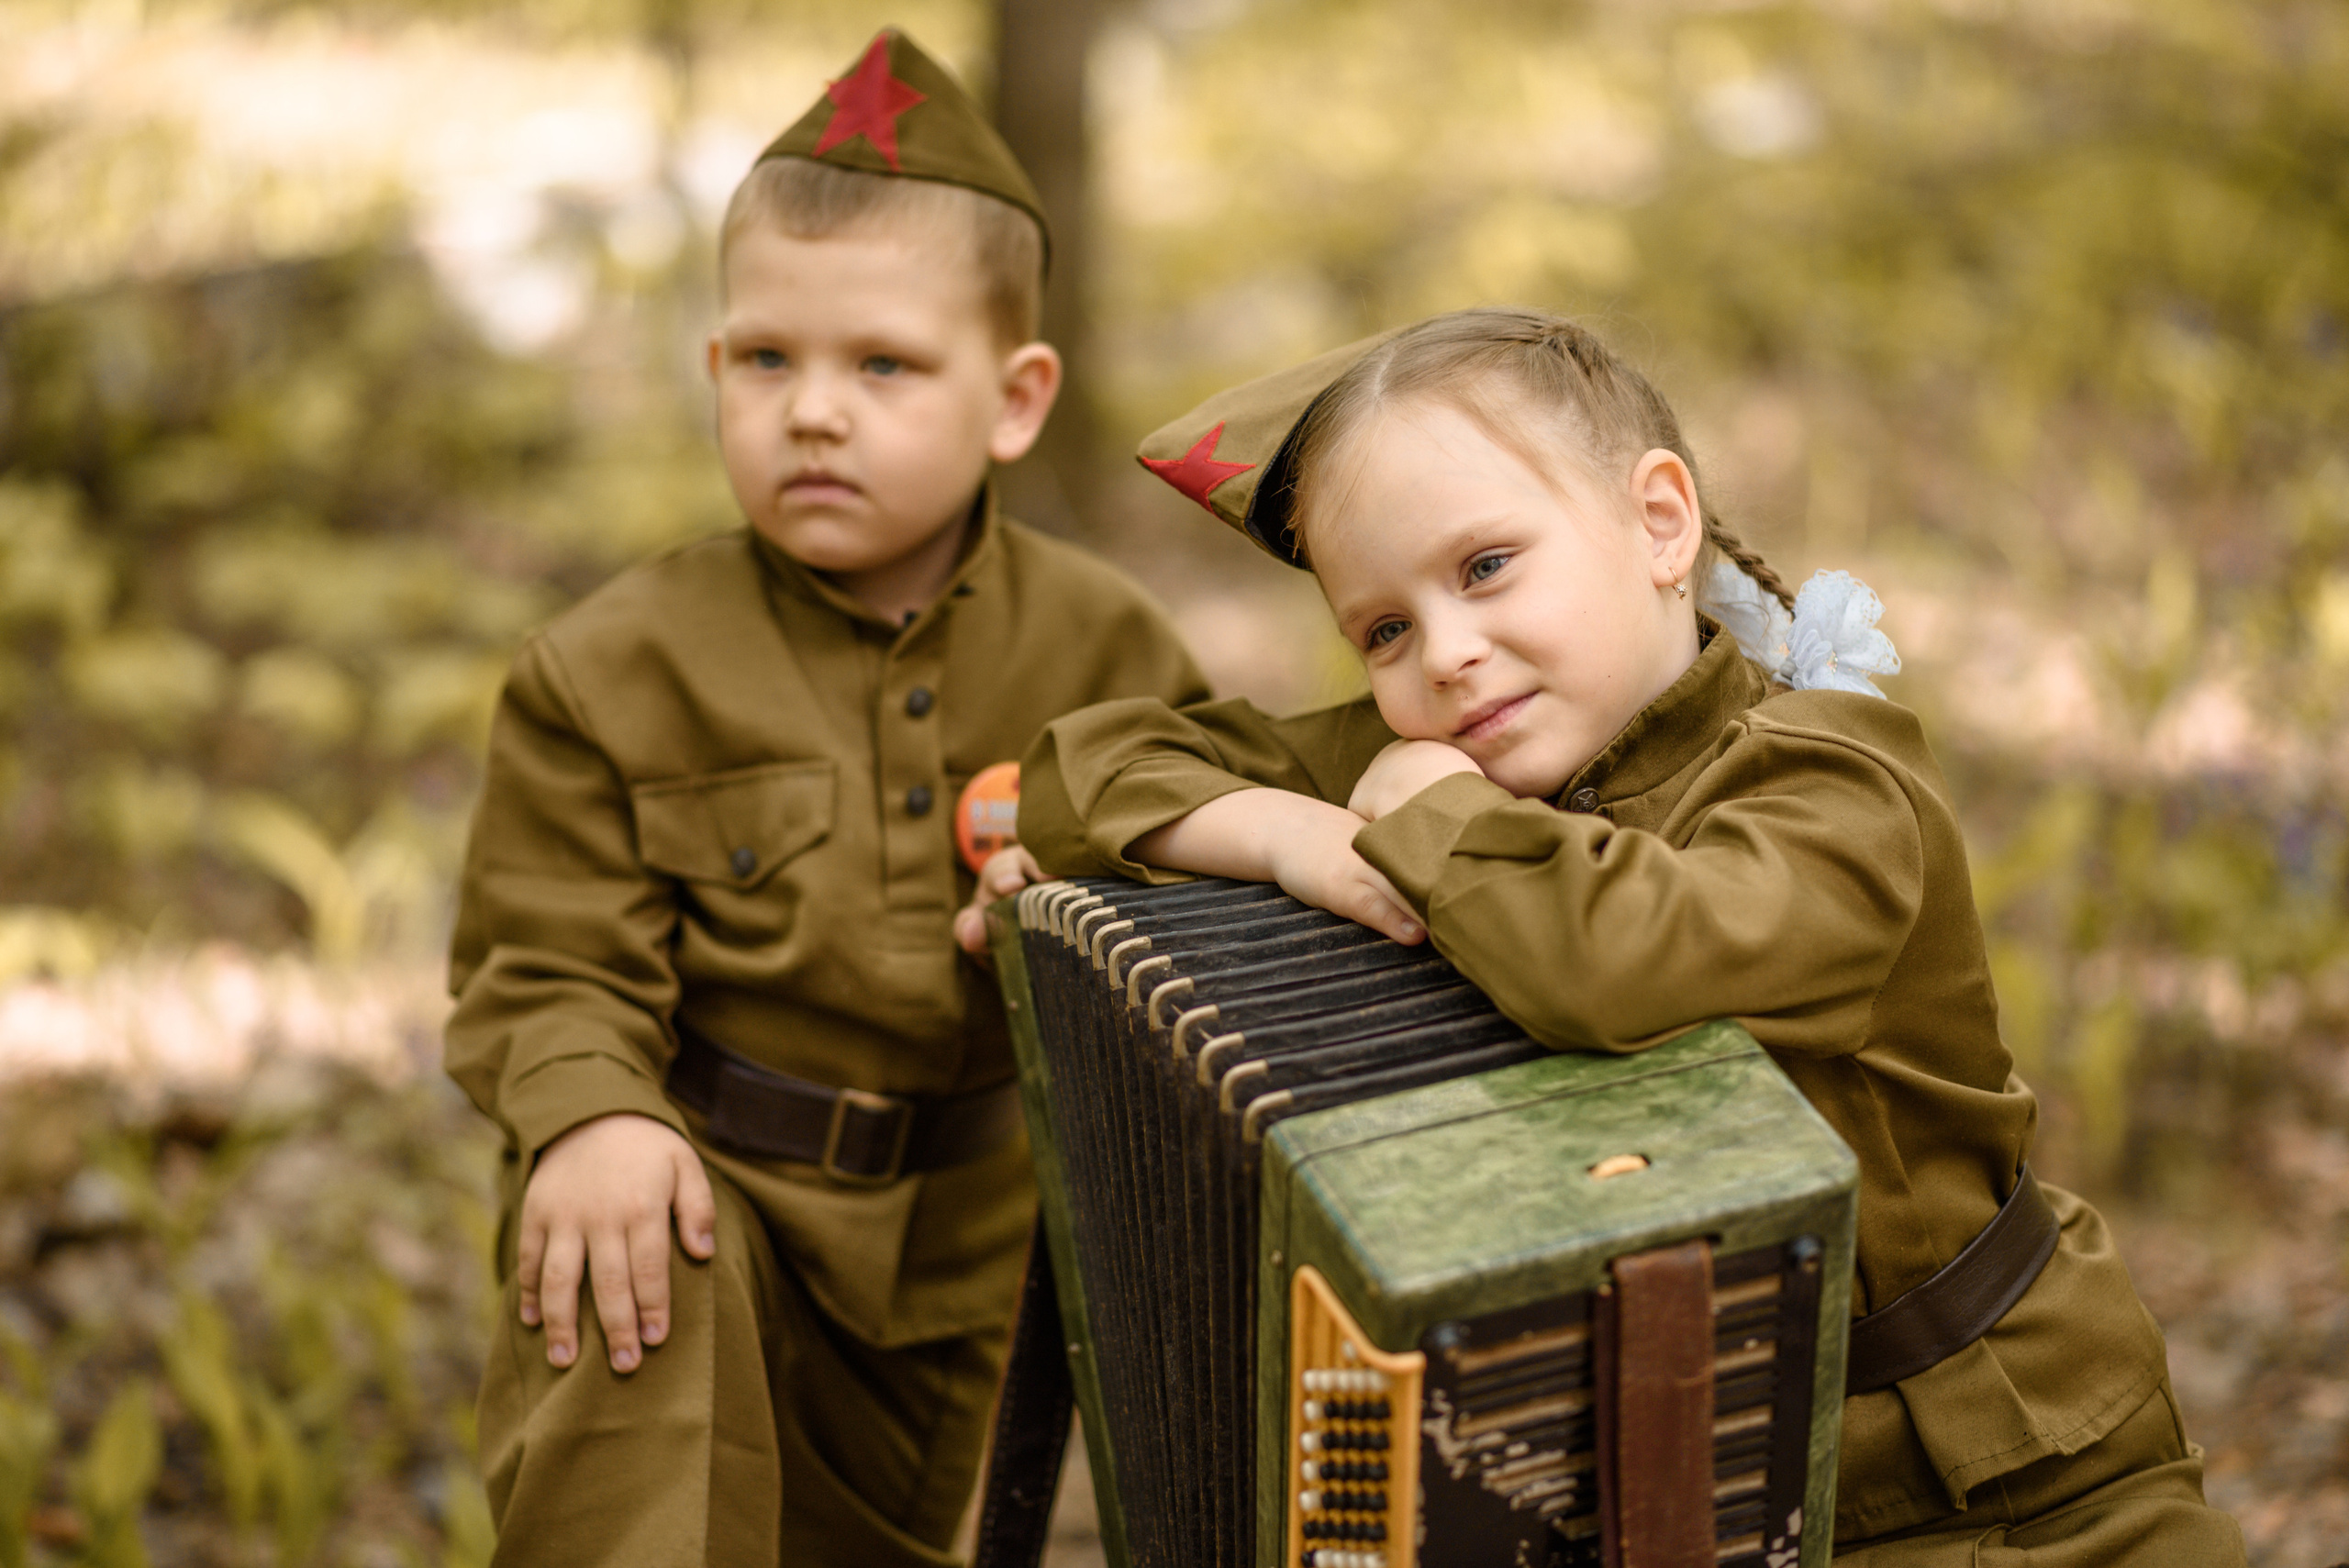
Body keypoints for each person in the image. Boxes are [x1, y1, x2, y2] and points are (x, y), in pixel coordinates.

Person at [1017, 307, 2244, 1563]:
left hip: (2000, 1479)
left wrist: (1431, 817)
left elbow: (1625, 960)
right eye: (1383, 629)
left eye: (1486, 566)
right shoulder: (1461, 746)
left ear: (1660, 523)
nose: (1445, 654)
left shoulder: (1837, 786)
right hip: (1687, 1481)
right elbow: (1078, 769)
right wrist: (1293, 834)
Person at [441, 28, 1208, 1567]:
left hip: (986, 1239)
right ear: (716, 370)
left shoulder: (1109, 650)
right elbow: (548, 961)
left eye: (883, 365)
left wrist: (1093, 918)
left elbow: (1207, 889)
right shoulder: (613, 668)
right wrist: (594, 1112)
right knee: (625, 1269)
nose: (813, 410)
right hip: (717, 1204)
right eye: (769, 360)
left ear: (1015, 398)